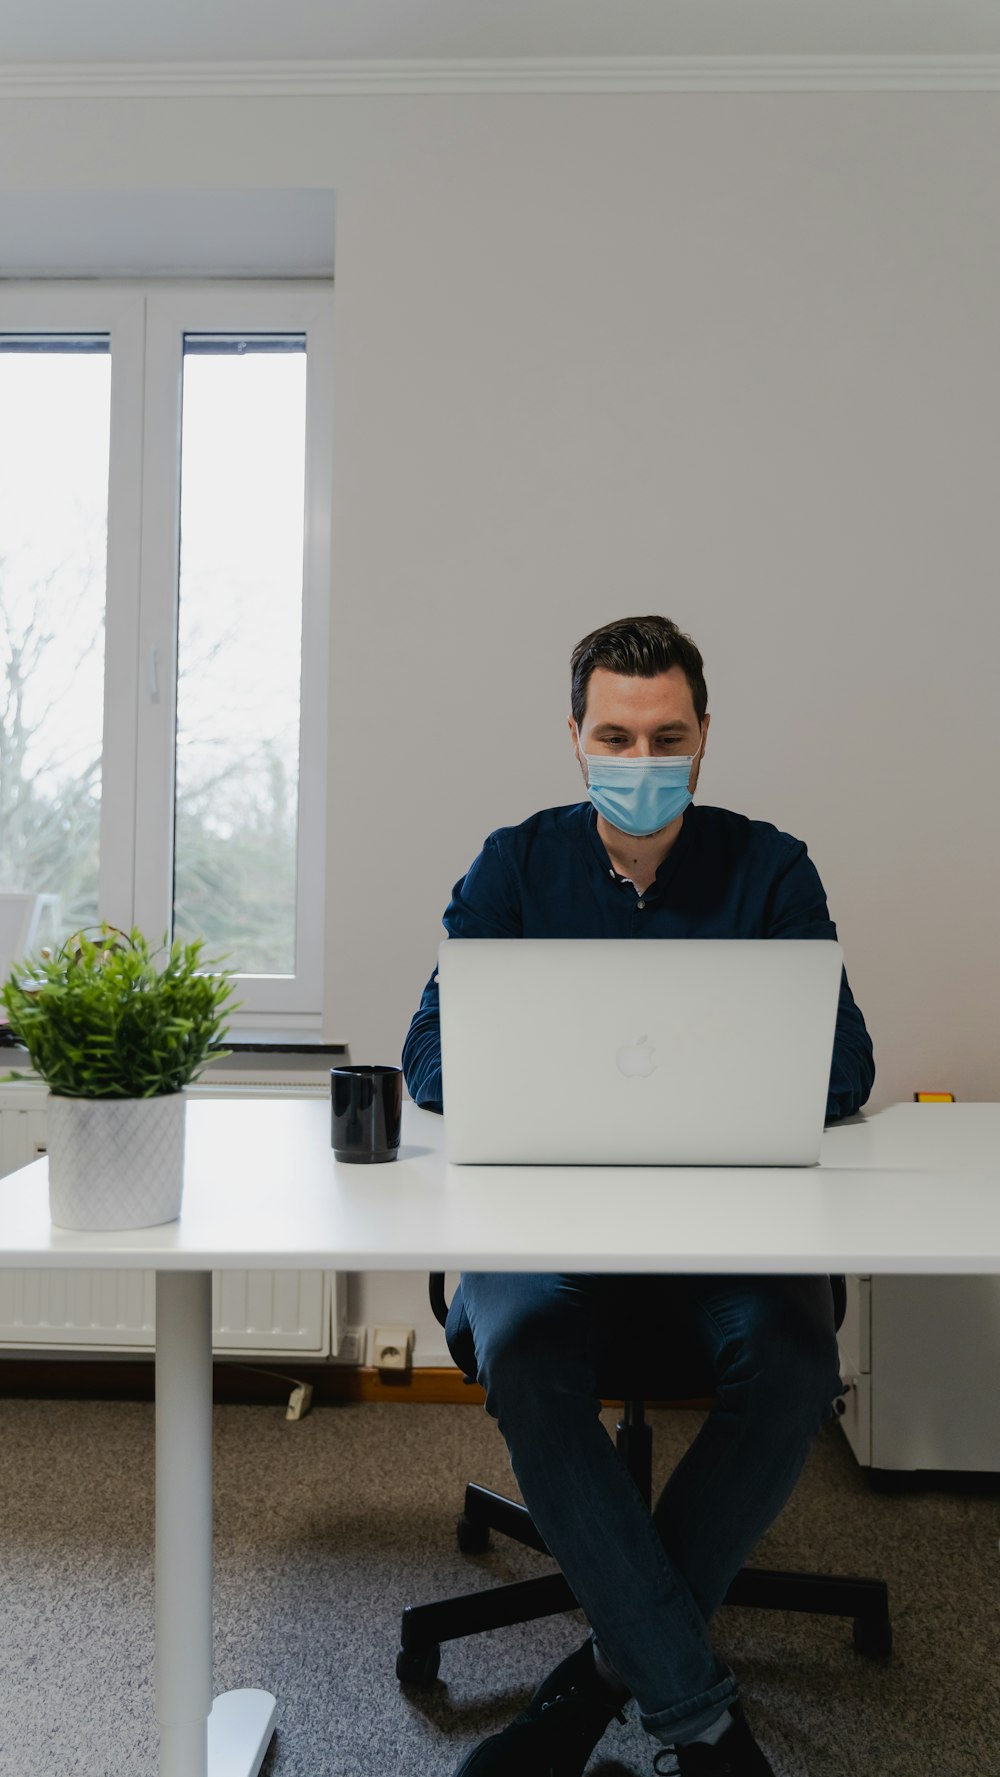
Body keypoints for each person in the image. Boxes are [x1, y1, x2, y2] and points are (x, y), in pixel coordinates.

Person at [402, 615, 874, 1777]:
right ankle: (702, 1726)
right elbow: (428, 1057)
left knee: (795, 1359)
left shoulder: (770, 867)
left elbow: (845, 1065)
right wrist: (594, 1096)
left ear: (704, 735)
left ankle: (591, 1688)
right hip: (546, 1234)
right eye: (614, 734)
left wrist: (663, 1098)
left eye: (666, 735)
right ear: (574, 735)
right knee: (520, 1344)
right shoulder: (514, 864)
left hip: (729, 1240)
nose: (642, 758)